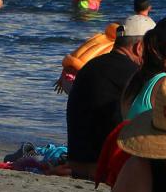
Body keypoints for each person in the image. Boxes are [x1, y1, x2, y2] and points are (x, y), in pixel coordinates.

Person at [66, 15, 154, 180]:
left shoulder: (89, 67)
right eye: (154, 49)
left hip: (76, 162)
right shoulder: (135, 75)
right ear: (139, 47)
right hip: (102, 168)